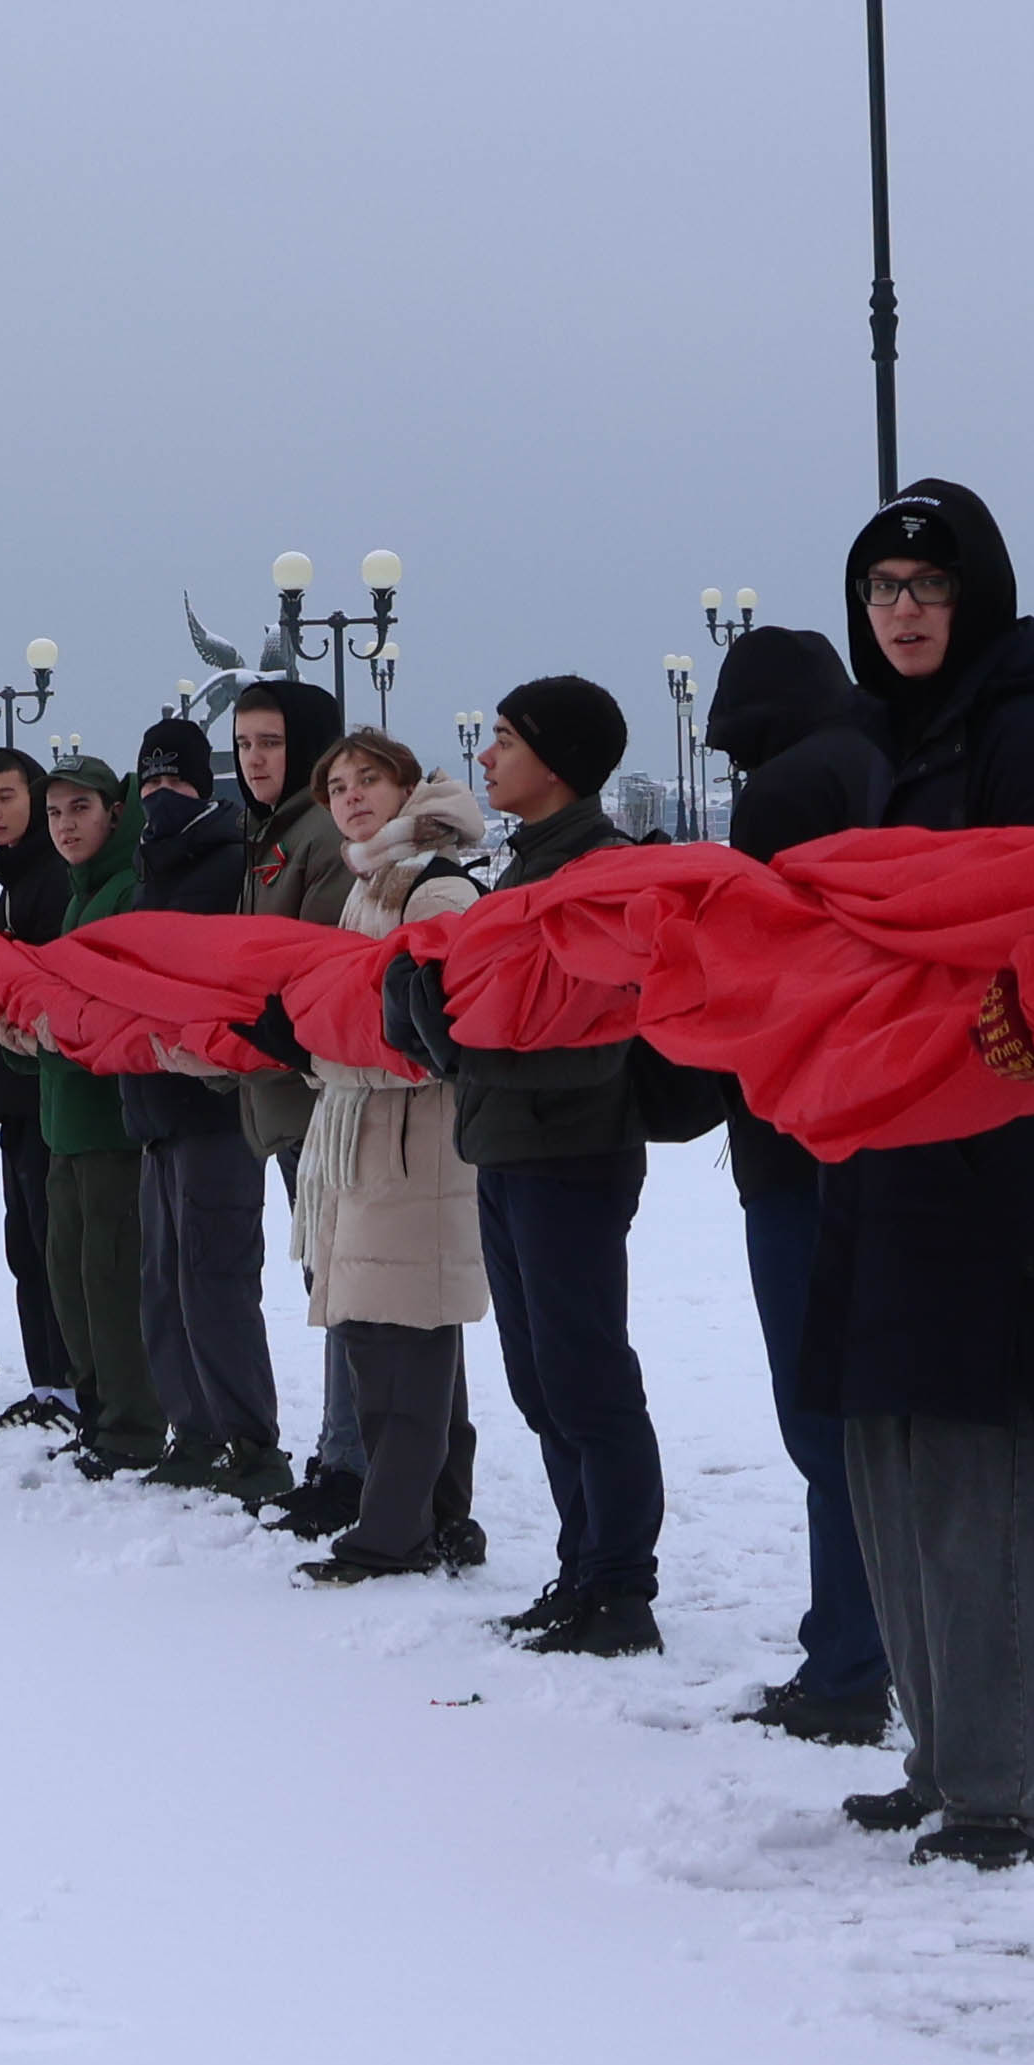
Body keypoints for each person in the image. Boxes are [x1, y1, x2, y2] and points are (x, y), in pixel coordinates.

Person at [814, 480, 1034, 1869]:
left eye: (927, 589)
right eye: (882, 589)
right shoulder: (900, 738)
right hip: (893, 1143)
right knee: (891, 1438)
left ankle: (1011, 1785)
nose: (902, 612)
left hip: (1003, 1145)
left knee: (986, 1450)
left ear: (977, 596)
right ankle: (947, 1754)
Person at [444, 674, 705, 1659]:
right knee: (537, 1379)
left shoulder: (600, 873)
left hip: (572, 1148)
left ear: (554, 762)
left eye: (503, 738)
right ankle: (581, 1564)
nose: (485, 754)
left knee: (585, 1374)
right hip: (505, 1146)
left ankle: (620, 1589)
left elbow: (598, 1024)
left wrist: (463, 1032)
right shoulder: (521, 872)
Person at [698, 626, 896, 1742]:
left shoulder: (783, 791)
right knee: (870, 1405)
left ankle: (847, 1665)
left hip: (796, 1131)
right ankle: (869, 1646)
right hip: (881, 1122)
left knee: (823, 1414)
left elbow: (761, 965)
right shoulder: (876, 758)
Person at [293, 734, 505, 1586]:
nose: (350, 796)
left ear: (409, 787)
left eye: (367, 779)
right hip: (375, 1142)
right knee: (410, 1339)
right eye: (337, 785)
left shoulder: (433, 884)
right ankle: (443, 1518)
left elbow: (425, 1036)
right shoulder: (373, 880)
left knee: (395, 1347)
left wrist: (308, 1049)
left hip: (413, 1146)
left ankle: (391, 1534)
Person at [117, 713, 294, 1505]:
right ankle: (190, 1429)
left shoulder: (230, 864)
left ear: (204, 781)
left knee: (216, 1276)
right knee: (163, 1280)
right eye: (148, 779)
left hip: (217, 1104)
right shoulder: (145, 866)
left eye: (174, 778)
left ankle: (250, 1443)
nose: (159, 793)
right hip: (153, 1103)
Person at [230, 681, 367, 1526]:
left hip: (315, 1097)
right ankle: (343, 1455)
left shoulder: (314, 836)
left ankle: (349, 1463)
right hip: (283, 1099)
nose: (254, 759)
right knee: (331, 1282)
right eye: (244, 743)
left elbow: (300, 971)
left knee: (342, 1282)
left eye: (271, 743)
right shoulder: (271, 834)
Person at [11, 753, 165, 1472]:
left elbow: (116, 1017)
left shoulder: (125, 891)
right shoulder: (80, 894)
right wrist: (18, 1036)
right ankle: (100, 1414)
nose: (65, 825)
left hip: (109, 1130)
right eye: (54, 812)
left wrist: (50, 1037)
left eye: (79, 809)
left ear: (111, 810)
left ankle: (131, 1428)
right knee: (70, 1283)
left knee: (108, 1285)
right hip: (62, 1126)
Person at [0, 747, 76, 1420]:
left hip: (49, 1096)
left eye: (5, 796)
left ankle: (68, 1386)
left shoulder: (51, 879)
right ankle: (48, 1384)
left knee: (53, 1246)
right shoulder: (15, 879)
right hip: (16, 1096)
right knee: (26, 1247)